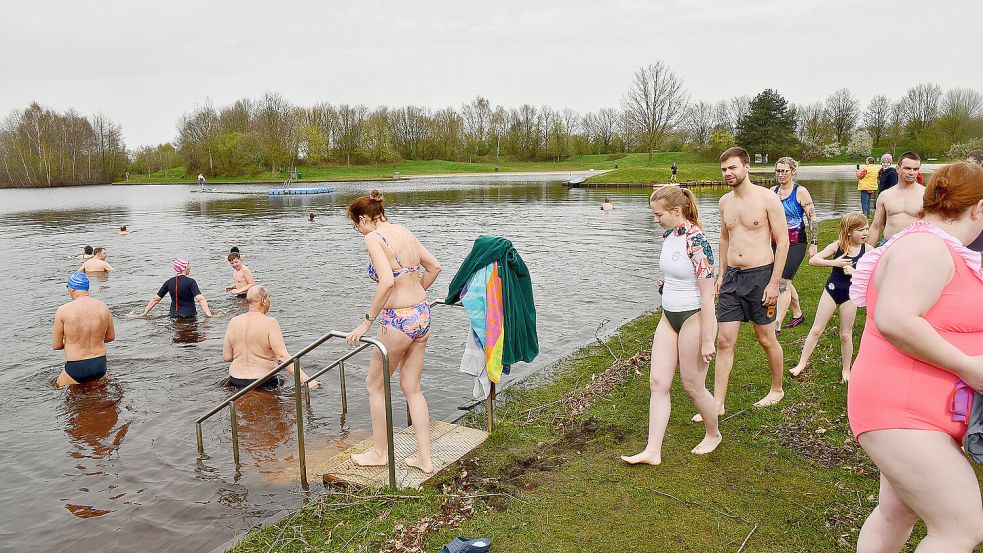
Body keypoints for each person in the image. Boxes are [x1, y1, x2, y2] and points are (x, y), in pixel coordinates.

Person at [848, 162, 983, 551]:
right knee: (960, 527)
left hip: (915, 409)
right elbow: (895, 319)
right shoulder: (926, 247)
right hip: (902, 411)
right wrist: (970, 367)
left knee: (896, 512)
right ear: (976, 208)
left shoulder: (932, 243)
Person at [621, 187, 721, 465]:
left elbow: (708, 294)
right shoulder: (668, 236)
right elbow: (675, 273)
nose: (655, 220)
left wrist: (707, 338)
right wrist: (667, 285)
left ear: (676, 211)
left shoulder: (698, 241)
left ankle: (713, 434)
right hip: (668, 317)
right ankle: (653, 450)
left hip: (693, 318)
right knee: (657, 383)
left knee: (692, 385)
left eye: (658, 214)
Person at [345, 189, 442, 473]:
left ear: (364, 218)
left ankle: (379, 453)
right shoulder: (405, 231)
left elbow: (386, 281)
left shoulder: (373, 238)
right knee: (412, 388)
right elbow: (435, 266)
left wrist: (367, 321)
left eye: (355, 225)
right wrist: (415, 294)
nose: (357, 231)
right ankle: (425, 459)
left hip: (397, 321)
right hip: (421, 315)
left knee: (375, 385)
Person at [699, 147, 787, 421]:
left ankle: (777, 389)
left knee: (765, 338)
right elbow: (725, 238)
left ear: (746, 167)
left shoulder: (767, 198)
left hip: (761, 276)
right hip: (732, 279)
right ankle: (718, 403)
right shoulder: (725, 202)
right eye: (724, 169)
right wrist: (721, 272)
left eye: (733, 168)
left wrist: (774, 284)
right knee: (724, 341)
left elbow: (783, 241)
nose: (728, 173)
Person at [789, 212, 868, 382]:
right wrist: (835, 263)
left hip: (850, 295)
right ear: (848, 231)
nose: (865, 233)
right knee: (817, 329)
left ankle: (846, 370)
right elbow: (813, 260)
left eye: (866, 229)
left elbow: (874, 274)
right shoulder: (837, 246)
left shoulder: (868, 250)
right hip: (832, 290)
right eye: (860, 230)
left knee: (845, 334)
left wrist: (856, 272)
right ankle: (801, 364)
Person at [223, 286, 318, 390]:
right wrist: (306, 380)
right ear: (263, 301)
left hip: (235, 380)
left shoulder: (233, 321)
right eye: (269, 298)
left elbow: (227, 357)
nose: (270, 301)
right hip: (262, 381)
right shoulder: (270, 322)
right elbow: (281, 356)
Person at [770, 157, 817, 336]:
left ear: (793, 172)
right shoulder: (772, 192)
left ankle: (776, 324)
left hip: (796, 242)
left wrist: (814, 243)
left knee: (783, 282)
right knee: (785, 281)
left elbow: (812, 218)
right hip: (776, 243)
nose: (781, 174)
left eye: (784, 171)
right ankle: (798, 314)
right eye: (778, 171)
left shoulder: (800, 191)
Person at [53, 272, 115, 387]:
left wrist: (73, 341)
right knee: (100, 395)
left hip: (76, 366)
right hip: (100, 365)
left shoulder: (63, 310)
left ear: (72, 289)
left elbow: (56, 345)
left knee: (56, 389)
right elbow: (111, 337)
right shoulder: (103, 307)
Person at [868, 152, 924, 247]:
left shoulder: (926, 195)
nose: (912, 172)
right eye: (907, 168)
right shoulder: (885, 195)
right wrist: (867, 252)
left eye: (915, 169)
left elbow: (938, 226)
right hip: (888, 245)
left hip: (916, 246)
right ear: (898, 169)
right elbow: (876, 227)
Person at [142, 259, 214, 318]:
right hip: (190, 316)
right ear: (184, 268)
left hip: (173, 316)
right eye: (188, 265)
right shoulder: (191, 282)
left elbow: (155, 299)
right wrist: (209, 315)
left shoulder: (169, 282)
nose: (190, 267)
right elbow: (200, 299)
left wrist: (144, 313)